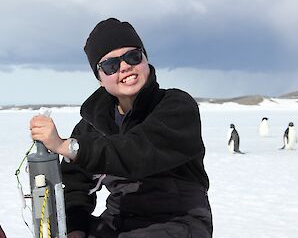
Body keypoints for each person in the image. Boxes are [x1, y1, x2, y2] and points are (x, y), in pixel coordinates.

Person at [30, 18, 213, 238]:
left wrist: (69, 147)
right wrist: (76, 228)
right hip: (119, 219)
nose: (125, 67)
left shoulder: (176, 107)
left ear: (146, 59)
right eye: (110, 65)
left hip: (178, 219)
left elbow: (137, 151)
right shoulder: (93, 125)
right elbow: (74, 184)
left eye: (133, 57)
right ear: (99, 78)